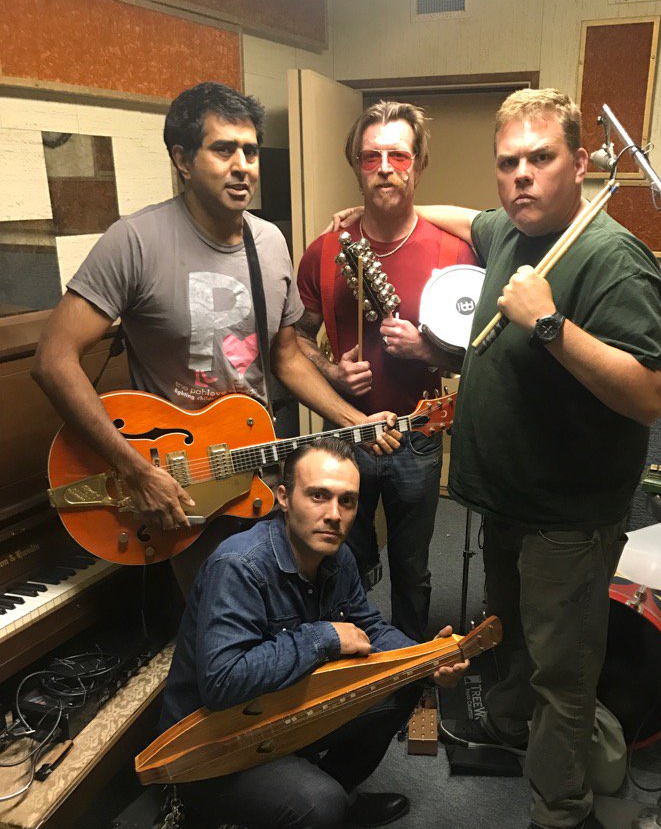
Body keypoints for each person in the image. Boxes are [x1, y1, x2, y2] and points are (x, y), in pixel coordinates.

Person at [406, 88, 661, 829]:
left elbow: (648, 393)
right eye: (508, 162)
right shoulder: (509, 231)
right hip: (507, 502)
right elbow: (468, 218)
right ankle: (515, 730)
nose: (521, 175)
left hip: (567, 516)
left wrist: (550, 325)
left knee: (562, 668)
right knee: (511, 633)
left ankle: (561, 809)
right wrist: (394, 212)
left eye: (541, 158)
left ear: (579, 163)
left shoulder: (611, 256)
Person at [32, 82, 400, 592]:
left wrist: (355, 421)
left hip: (257, 468)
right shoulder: (134, 241)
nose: (242, 165)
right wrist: (134, 469)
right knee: (217, 617)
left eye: (250, 151)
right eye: (223, 149)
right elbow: (53, 360)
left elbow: (287, 357)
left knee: (284, 603)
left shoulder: (269, 243)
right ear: (182, 160)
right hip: (181, 478)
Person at [158, 439, 467, 829]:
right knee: (315, 805)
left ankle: (332, 799)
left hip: (283, 720)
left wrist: (424, 659)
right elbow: (223, 682)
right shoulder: (238, 566)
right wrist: (322, 637)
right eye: (318, 496)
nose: (334, 514)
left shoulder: (336, 557)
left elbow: (369, 629)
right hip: (214, 747)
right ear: (283, 497)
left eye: (347, 501)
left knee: (400, 688)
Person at [295, 101, 475, 641]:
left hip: (416, 436)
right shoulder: (324, 251)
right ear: (356, 166)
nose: (385, 168)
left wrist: (427, 351)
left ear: (419, 164)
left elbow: (478, 356)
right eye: (371, 156)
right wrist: (330, 371)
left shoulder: (454, 251)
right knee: (336, 560)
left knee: (412, 569)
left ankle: (411, 668)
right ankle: (344, 661)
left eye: (398, 155)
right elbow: (295, 341)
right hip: (343, 432)